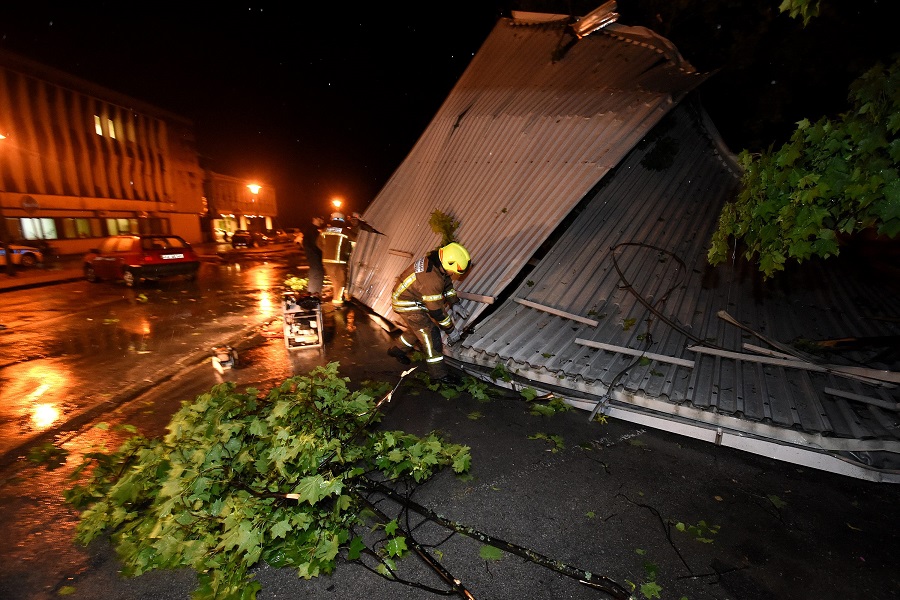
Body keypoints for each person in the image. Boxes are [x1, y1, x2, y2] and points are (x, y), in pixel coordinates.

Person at [387, 242, 471, 383]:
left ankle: (397, 350)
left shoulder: (438, 264)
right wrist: (451, 330)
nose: (453, 274)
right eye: (454, 271)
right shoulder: (431, 278)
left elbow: (447, 285)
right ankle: (439, 375)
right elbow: (437, 311)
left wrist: (454, 303)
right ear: (449, 264)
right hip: (406, 303)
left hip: (409, 298)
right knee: (430, 335)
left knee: (417, 329)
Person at [318, 212, 353, 305]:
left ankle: (337, 298)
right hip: (339, 261)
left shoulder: (325, 230)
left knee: (334, 281)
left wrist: (326, 252)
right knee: (341, 281)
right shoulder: (344, 231)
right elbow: (356, 240)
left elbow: (318, 244)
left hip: (327, 261)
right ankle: (338, 301)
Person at [300, 216, 325, 296]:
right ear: (314, 218)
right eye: (320, 219)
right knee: (317, 274)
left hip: (312, 256)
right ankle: (313, 295)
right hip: (315, 256)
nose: (322, 222)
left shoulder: (310, 230)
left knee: (315, 274)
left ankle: (313, 294)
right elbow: (317, 245)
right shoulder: (312, 231)